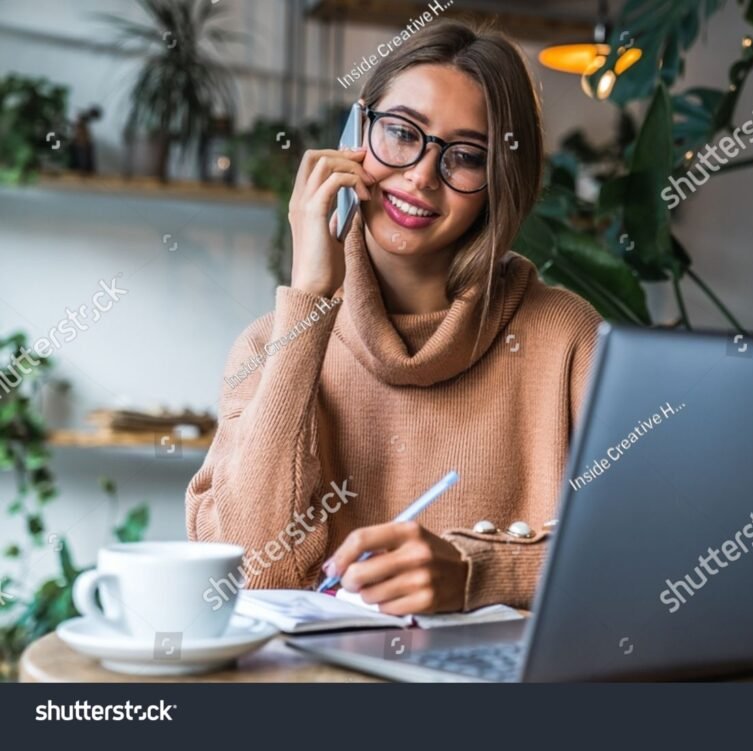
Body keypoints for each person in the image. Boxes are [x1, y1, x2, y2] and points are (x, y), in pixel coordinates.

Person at [186, 21, 602, 615]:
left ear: (500, 180)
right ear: (356, 131)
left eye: (464, 156)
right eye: (402, 133)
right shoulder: (268, 344)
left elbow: (642, 553)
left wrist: (475, 573)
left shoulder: (567, 338)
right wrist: (310, 300)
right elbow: (252, 572)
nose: (421, 175)